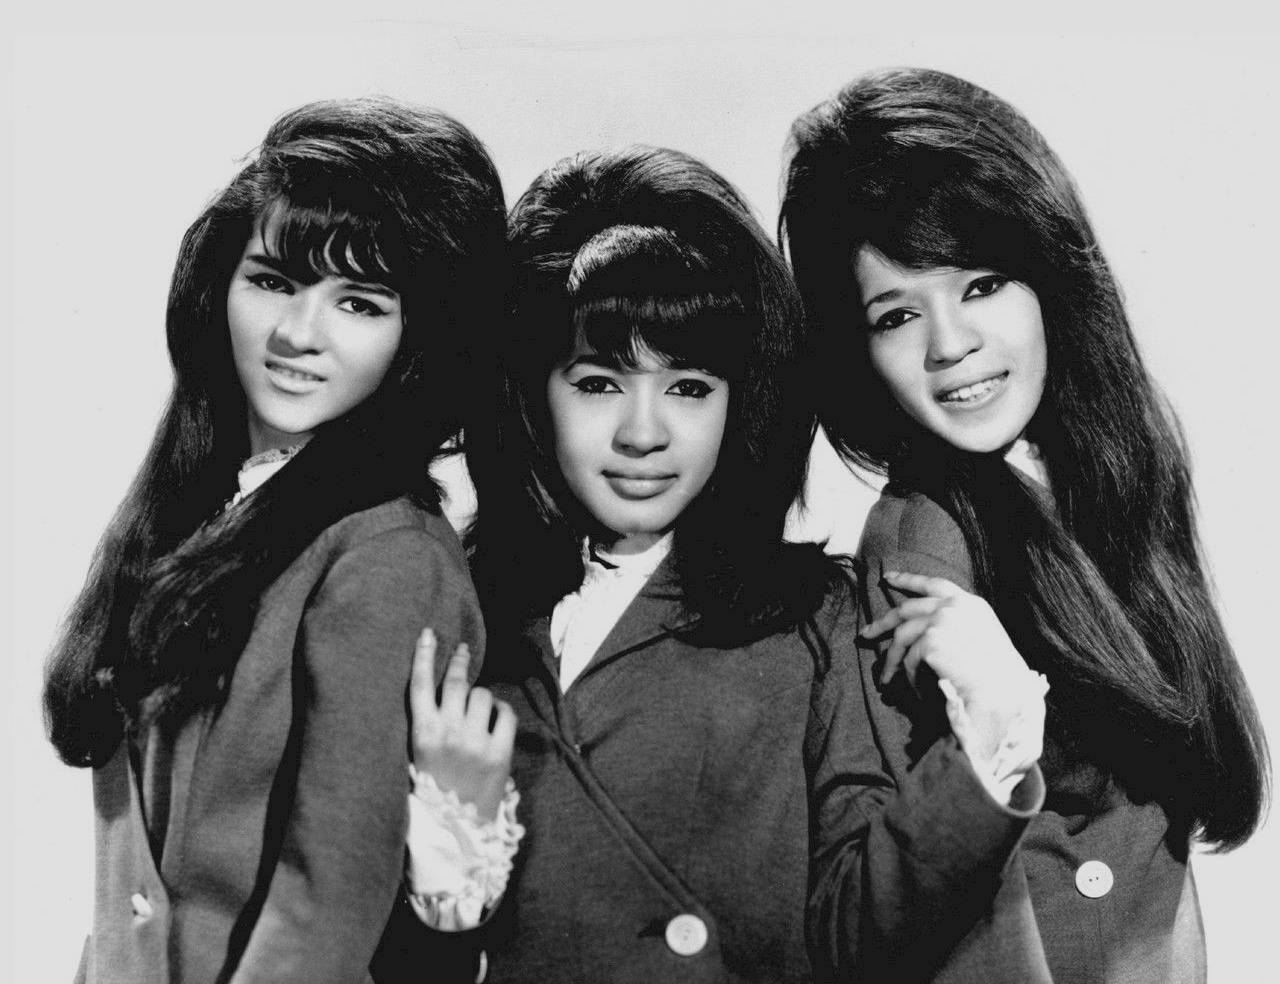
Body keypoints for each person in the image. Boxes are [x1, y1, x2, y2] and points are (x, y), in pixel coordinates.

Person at [779, 66, 1270, 982]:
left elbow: (1160, 829)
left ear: (1046, 274)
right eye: (896, 314)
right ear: (859, 352)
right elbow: (958, 906)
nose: (949, 344)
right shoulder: (921, 543)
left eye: (981, 284)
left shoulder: (1109, 474)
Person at [42, 97, 506, 984]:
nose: (299, 335)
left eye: (360, 302)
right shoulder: (195, 505)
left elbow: (325, 902)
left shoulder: (388, 557)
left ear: (420, 339)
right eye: (273, 281)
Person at [385, 145, 859, 982]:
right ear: (532, 394)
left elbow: (875, 928)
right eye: (600, 382)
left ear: (742, 400)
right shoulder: (450, 603)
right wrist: (449, 871)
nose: (645, 434)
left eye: (689, 387)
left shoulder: (816, 622)